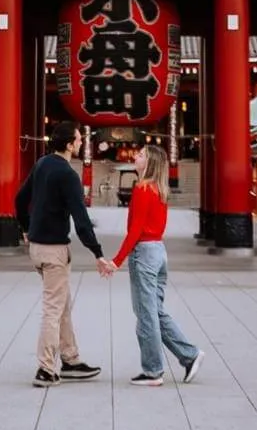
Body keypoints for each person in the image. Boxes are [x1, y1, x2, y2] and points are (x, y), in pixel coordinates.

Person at [15, 120, 113, 387]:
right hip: (55, 250)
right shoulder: (68, 175)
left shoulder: (42, 164)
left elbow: (20, 199)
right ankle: (46, 368)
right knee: (53, 309)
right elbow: (81, 220)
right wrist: (98, 253)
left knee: (62, 305)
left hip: (37, 247)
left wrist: (25, 227)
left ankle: (70, 359)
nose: (81, 143)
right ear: (70, 144)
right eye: (79, 139)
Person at [112, 144, 204, 387]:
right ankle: (189, 355)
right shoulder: (159, 190)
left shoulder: (142, 189)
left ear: (149, 163)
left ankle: (153, 370)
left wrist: (116, 261)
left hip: (144, 253)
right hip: (158, 252)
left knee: (146, 314)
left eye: (140, 154)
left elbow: (135, 230)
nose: (136, 156)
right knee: (154, 311)